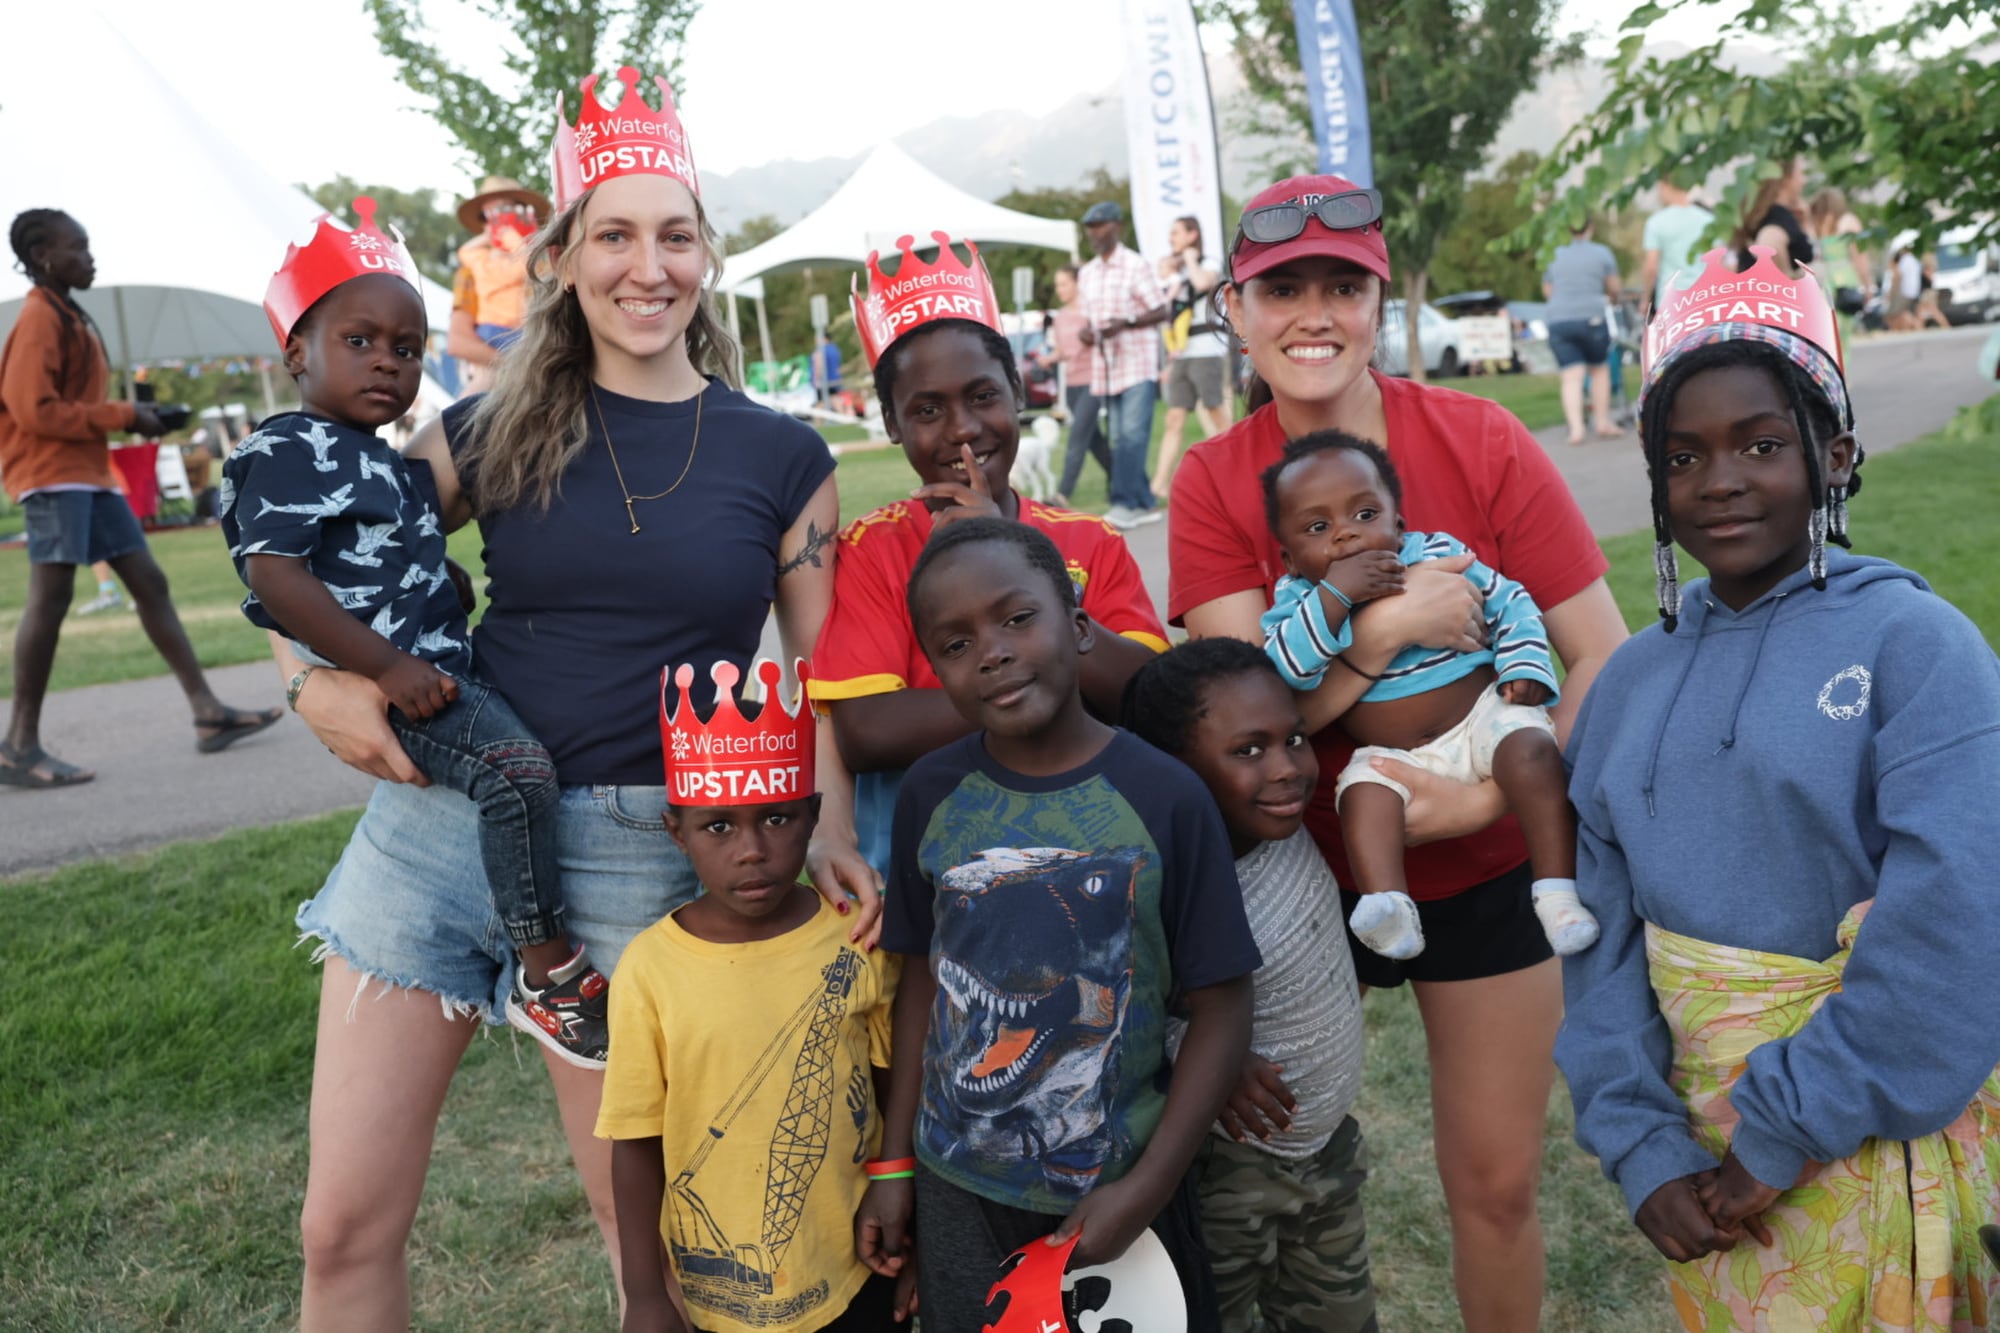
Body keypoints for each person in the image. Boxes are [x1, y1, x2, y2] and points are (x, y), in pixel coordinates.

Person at [274, 69, 878, 1330]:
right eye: (613, 233)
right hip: (443, 819)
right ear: (561, 257)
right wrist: (311, 686)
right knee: (338, 1228)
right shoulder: (489, 428)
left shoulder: (782, 456)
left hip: (629, 852)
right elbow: (306, 559)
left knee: (637, 1234)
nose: (644, 266)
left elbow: (822, 672)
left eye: (673, 234)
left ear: (706, 254)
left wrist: (829, 830)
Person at [1168, 173, 1630, 1333]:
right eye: (1281, 287)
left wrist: (1481, 800)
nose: (1311, 312)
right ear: (1235, 305)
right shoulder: (1213, 480)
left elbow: (1602, 659)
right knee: (1260, 1182)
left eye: (1341, 284)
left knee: (1493, 1182)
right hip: (1296, 876)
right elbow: (1244, 716)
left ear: (1380, 301)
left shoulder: (1475, 437)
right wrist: (1387, 630)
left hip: (1483, 869)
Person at [1560, 246, 2000, 1329]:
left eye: (1760, 444)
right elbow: (1599, 940)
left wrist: (1781, 1130)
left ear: (1834, 454)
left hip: (1860, 1126)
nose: (1717, 480)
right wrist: (1637, 1140)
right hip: (1695, 1168)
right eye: (1681, 456)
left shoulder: (1917, 645)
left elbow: (1951, 921)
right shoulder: (1626, 683)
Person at [226, 197, 611, 1068]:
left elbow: (398, 558)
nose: (387, 365)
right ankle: (547, 967)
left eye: (405, 349)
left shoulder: (389, 464)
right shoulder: (288, 448)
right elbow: (275, 575)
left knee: (516, 764)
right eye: (358, 342)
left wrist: (443, 582)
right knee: (516, 773)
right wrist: (384, 667)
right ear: (295, 351)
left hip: (435, 665)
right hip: (402, 679)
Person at [856, 517, 1258, 1329]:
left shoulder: (1166, 796)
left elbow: (1222, 1004)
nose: (993, 652)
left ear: (1078, 625)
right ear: (934, 669)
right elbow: (922, 983)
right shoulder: (931, 795)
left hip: (1123, 1187)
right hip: (958, 1187)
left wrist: (1145, 1189)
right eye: (956, 642)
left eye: (1015, 617)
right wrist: (895, 1162)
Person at [810, 232, 1166, 874]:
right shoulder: (873, 549)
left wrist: (1004, 555)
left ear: (1018, 392)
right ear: (891, 424)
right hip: (927, 871)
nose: (963, 431)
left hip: (1088, 860)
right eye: (926, 409)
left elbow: (1146, 696)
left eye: (982, 396)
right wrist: (1047, 688)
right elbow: (867, 731)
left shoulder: (1091, 543)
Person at [599, 659, 908, 1333]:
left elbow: (889, 1082)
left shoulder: (855, 936)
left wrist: (897, 1187)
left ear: (813, 815)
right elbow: (635, 1141)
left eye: (776, 818)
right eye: (719, 827)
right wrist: (645, 1293)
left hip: (859, 1271)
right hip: (722, 1308)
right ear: (676, 831)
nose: (752, 851)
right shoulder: (650, 969)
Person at [1256, 430, 1597, 962]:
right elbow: (1284, 673)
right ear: (1291, 558)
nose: (1346, 536)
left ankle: (1557, 893)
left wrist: (1523, 666)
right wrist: (1335, 595)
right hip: (1395, 756)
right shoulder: (1298, 598)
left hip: (1483, 719)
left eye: (1365, 515)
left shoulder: (1439, 555)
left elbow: (1510, 602)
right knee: (1362, 797)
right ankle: (1389, 907)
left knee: (1532, 750)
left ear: (1399, 523)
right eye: (1319, 528)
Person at [1123, 637, 1377, 1333]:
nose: (1289, 767)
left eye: (1293, 737)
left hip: (1326, 1154)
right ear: (1176, 771)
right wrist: (1201, 1051)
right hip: (1226, 1170)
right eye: (1249, 750)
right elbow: (1131, 998)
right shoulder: (1167, 886)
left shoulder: (1293, 829)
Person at [1, 207, 281, 788]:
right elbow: (33, 410)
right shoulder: (38, 318)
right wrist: (129, 414)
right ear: (44, 257)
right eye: (78, 247)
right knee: (49, 600)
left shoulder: (68, 313)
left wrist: (138, 416)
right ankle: (19, 744)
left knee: (148, 583)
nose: (90, 256)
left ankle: (207, 712)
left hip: (89, 474)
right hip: (53, 475)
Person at [1076, 200, 1169, 530]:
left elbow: (1161, 310)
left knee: (1131, 436)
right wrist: (1087, 333)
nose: (1095, 233)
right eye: (1090, 228)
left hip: (1137, 363)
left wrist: (1126, 322)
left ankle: (1124, 502)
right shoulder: (1086, 273)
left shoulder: (1135, 265)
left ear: (1117, 227)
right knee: (1118, 438)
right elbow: (1088, 318)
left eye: (1101, 226)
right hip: (1106, 368)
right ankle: (1144, 500)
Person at [446, 175, 549, 395]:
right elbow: (458, 342)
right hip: (509, 353)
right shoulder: (471, 271)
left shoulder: (546, 263)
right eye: (489, 215)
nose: (499, 220)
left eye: (507, 211)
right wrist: (517, 364)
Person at [1154, 215, 1230, 499]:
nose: (1171, 237)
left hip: (1207, 349)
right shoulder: (1171, 271)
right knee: (1174, 417)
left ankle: (1235, 468)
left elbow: (1201, 284)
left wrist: (1190, 260)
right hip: (1182, 352)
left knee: (1215, 411)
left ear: (1192, 234)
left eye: (1176, 232)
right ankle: (1158, 484)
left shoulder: (1208, 263)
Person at [1542, 219, 1625, 445]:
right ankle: (1602, 421)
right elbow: (1614, 287)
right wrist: (1613, 299)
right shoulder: (1602, 253)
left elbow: (1548, 289)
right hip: (1592, 317)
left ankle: (1576, 429)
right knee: (1599, 370)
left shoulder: (1553, 254)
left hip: (1559, 319)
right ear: (1590, 228)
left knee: (1571, 376)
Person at [1043, 263, 1111, 506]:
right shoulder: (1059, 318)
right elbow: (1063, 350)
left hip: (1093, 383)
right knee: (1095, 442)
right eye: (1057, 285)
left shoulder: (1092, 314)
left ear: (1077, 283)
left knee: (1077, 439)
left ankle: (1062, 495)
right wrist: (1049, 358)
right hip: (1071, 386)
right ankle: (1119, 481)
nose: (1059, 289)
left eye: (1063, 284)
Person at [1641, 174, 1715, 309]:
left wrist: (1646, 299)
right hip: (1705, 299)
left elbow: (1651, 268)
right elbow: (1720, 262)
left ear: (1665, 187)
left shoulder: (1656, 222)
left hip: (1670, 302)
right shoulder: (1709, 220)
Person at [1732, 157, 1814, 277]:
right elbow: (1769, 244)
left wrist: (1806, 221)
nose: (1804, 181)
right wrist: (1789, 281)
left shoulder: (1760, 215)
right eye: (1801, 174)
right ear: (1785, 179)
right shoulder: (1780, 217)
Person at [1806, 187, 1875, 312]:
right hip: (1847, 279)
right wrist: (1867, 285)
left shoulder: (1817, 225)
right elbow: (1860, 258)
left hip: (1825, 282)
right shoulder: (1849, 221)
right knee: (1845, 325)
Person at [812, 328, 845, 407]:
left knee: (820, 404)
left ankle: (818, 419)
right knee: (836, 400)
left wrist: (815, 380)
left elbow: (818, 366)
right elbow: (839, 366)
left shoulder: (820, 351)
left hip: (824, 382)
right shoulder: (835, 349)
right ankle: (846, 417)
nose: (816, 341)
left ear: (823, 338)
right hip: (836, 380)